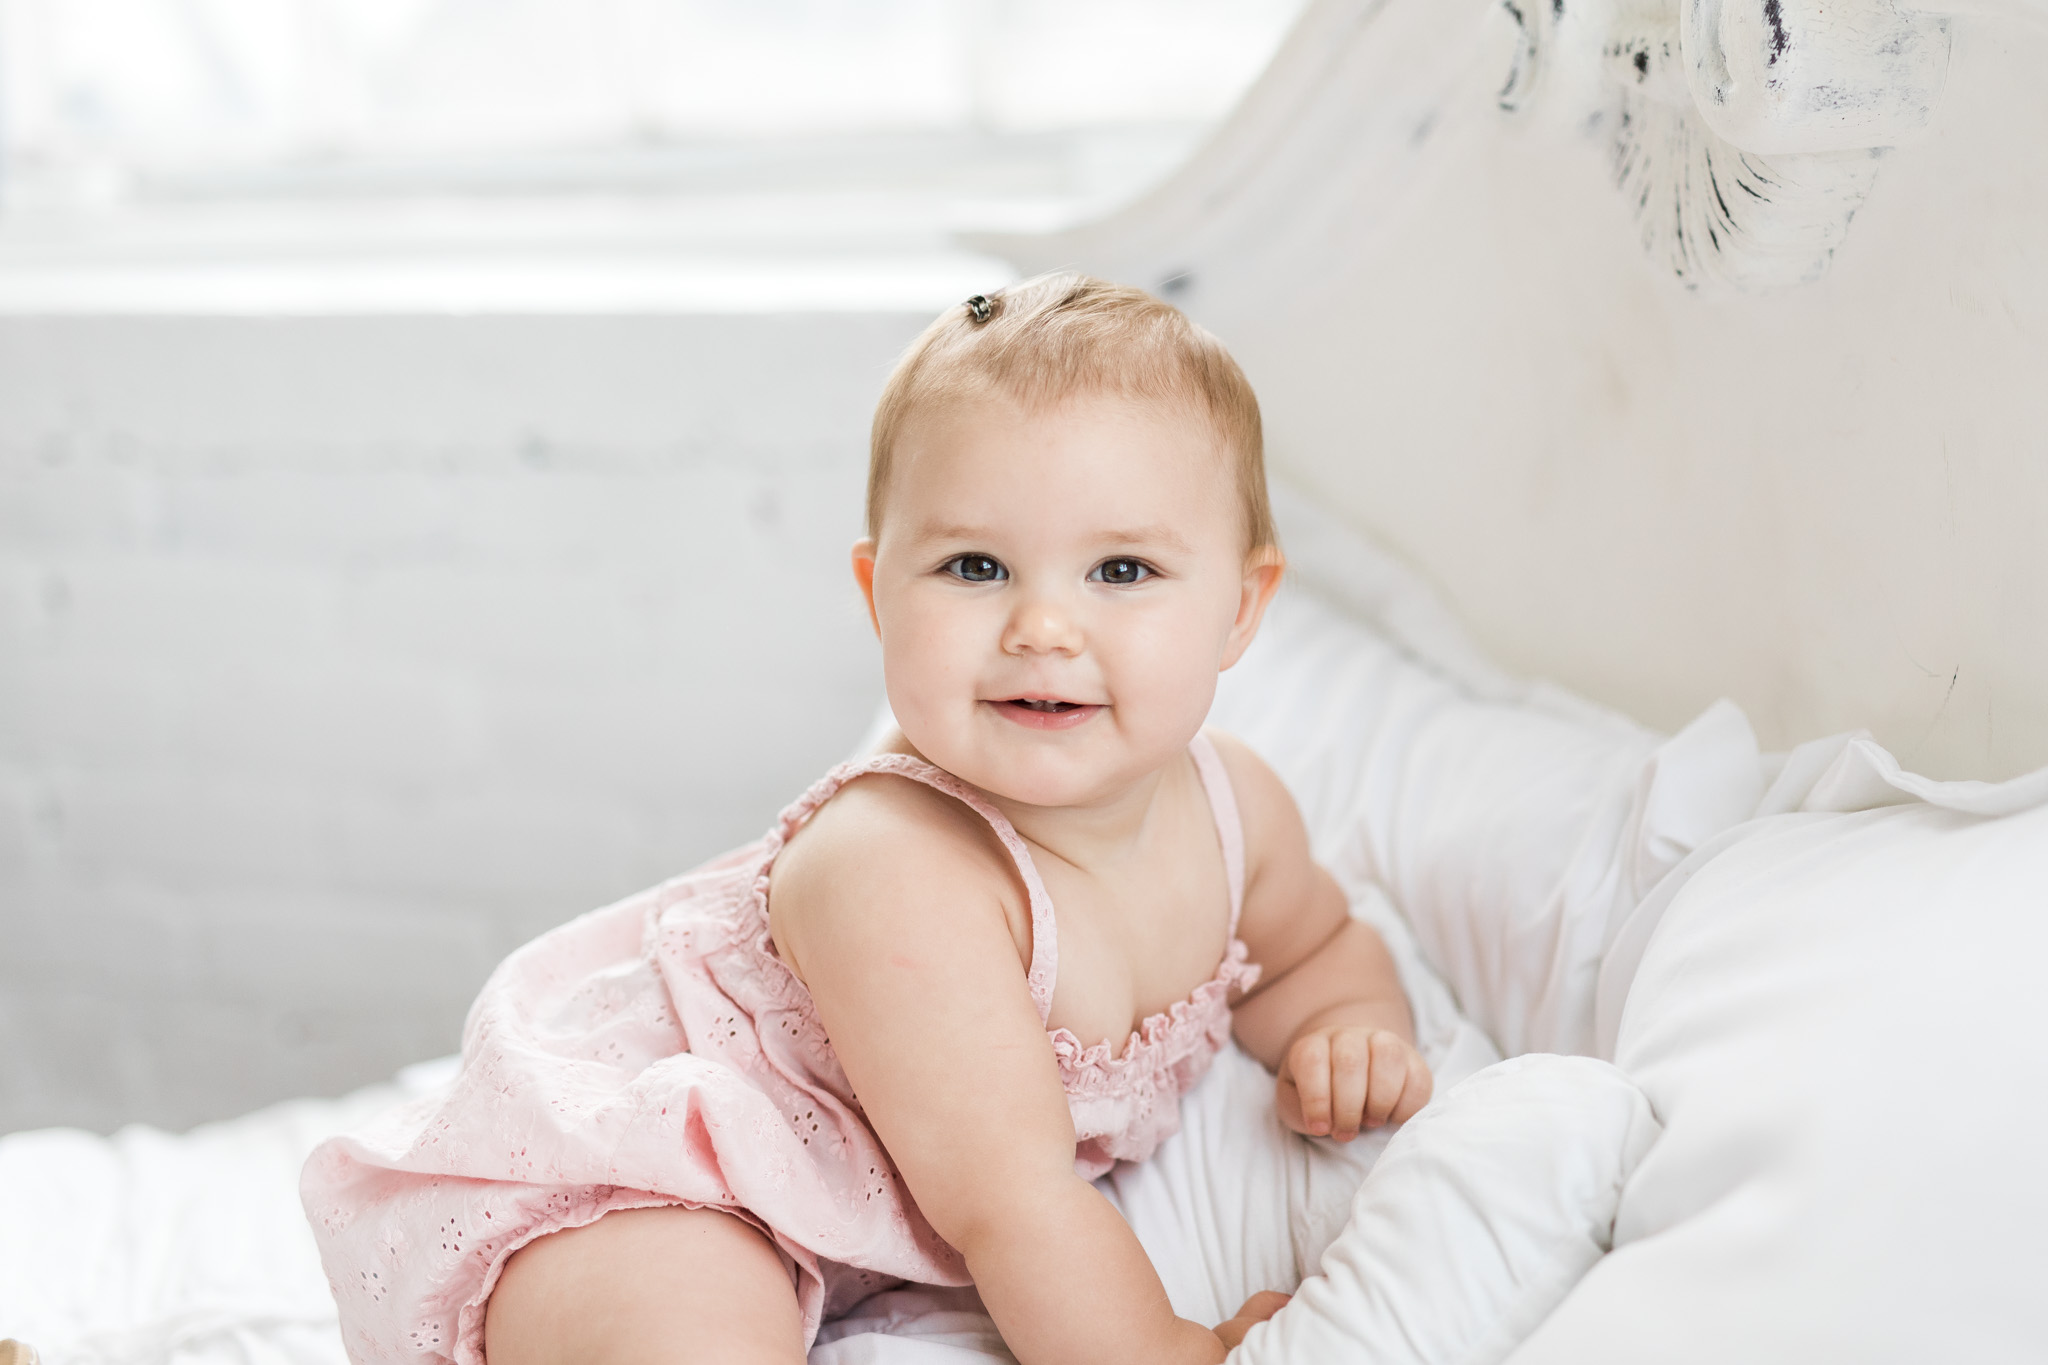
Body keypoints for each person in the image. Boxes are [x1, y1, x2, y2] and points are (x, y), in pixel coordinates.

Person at [302, 273, 1433, 1365]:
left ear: (1239, 609)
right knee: (686, 1322)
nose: (1042, 625)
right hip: (665, 1179)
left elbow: (1314, 946)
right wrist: (1154, 1351)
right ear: (876, 590)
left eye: (1122, 569)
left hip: (834, 1223)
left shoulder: (1237, 809)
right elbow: (1012, 1198)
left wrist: (1346, 1030)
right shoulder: (896, 870)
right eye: (975, 566)